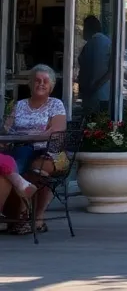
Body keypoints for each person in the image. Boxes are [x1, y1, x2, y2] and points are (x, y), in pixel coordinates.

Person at [1, 65, 67, 234]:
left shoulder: (55, 104)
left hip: (54, 153)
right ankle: (15, 217)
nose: (41, 84)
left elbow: (56, 133)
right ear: (30, 84)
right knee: (12, 169)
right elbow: (7, 129)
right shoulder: (20, 105)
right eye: (37, 80)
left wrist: (28, 137)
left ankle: (34, 218)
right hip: (22, 150)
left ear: (51, 86)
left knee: (36, 170)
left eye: (45, 81)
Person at [77, 15, 112, 118]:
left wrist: (96, 85)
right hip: (103, 93)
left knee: (93, 122)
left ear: (88, 28)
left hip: (95, 93)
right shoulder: (107, 42)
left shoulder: (92, 44)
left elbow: (84, 67)